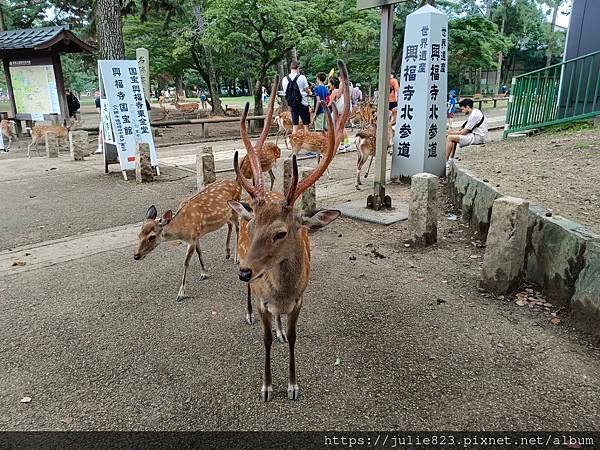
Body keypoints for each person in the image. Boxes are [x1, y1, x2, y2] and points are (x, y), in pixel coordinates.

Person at [445, 98, 488, 171]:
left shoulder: (473, 115)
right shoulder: (476, 111)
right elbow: (464, 127)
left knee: (449, 138)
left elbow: (464, 132)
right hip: (477, 135)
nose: (462, 111)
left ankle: (445, 161)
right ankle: (450, 159)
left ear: (467, 107)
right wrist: (454, 132)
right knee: (454, 137)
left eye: (463, 109)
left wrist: (449, 132)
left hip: (477, 137)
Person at [282, 60, 310, 133]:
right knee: (305, 125)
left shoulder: (285, 79)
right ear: (298, 68)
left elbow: (286, 92)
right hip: (303, 103)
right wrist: (309, 92)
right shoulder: (302, 77)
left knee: (295, 125)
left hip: (292, 104)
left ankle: (294, 142)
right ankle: (307, 141)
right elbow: (307, 90)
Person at [327, 76, 351, 152]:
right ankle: (346, 144)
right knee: (342, 127)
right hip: (344, 110)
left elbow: (329, 104)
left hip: (338, 112)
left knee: (338, 128)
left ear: (333, 85)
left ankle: (341, 145)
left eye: (329, 84)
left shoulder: (334, 92)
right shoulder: (341, 92)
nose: (328, 85)